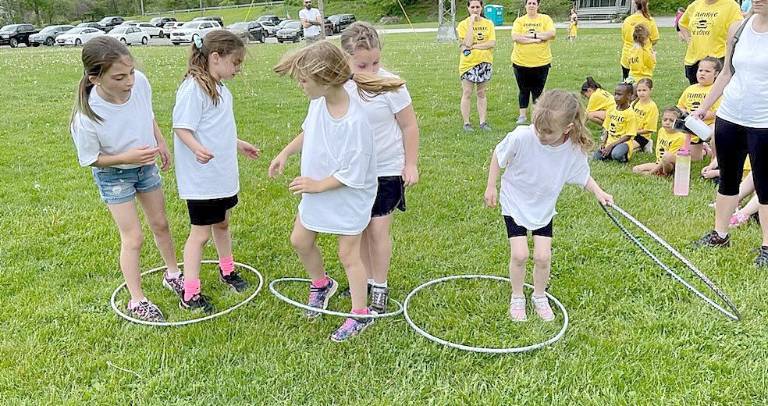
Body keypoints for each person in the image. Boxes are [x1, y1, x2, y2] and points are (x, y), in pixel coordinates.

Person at [270, 41, 406, 341]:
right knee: (300, 240)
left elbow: (354, 173)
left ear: (325, 79)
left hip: (349, 194)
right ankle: (321, 284)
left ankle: (360, 314)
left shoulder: (355, 120)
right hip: (318, 188)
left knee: (349, 255)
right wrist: (285, 153)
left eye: (304, 79)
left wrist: (317, 185)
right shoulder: (318, 102)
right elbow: (309, 131)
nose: (300, 85)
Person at [70, 37, 180, 322]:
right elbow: (91, 158)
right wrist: (126, 157)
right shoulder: (87, 116)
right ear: (95, 78)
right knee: (133, 237)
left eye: (130, 72)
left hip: (145, 166)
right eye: (119, 77)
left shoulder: (140, 83)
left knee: (161, 224)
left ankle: (173, 274)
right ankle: (137, 299)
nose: (129, 81)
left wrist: (161, 141)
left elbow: (148, 114)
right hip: (113, 174)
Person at [484, 90, 613, 322]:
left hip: (543, 206)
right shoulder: (522, 136)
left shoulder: (572, 148)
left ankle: (539, 295)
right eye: (538, 127)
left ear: (567, 129)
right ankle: (517, 297)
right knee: (521, 254)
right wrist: (491, 186)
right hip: (515, 201)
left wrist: (599, 192)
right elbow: (498, 154)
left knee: (543, 257)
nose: (541, 135)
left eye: (548, 131)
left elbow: (582, 175)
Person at [172, 31, 261, 313]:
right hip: (202, 180)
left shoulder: (221, 88)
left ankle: (227, 271)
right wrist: (196, 148)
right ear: (215, 57)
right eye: (235, 62)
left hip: (222, 176)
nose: (237, 69)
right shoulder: (193, 89)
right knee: (200, 235)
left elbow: (217, 129)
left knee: (222, 224)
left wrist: (238, 144)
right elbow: (182, 127)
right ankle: (190, 293)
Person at [339, 22, 420, 313]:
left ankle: (380, 286)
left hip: (386, 168)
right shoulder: (339, 86)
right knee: (358, 229)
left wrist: (410, 164)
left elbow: (409, 126)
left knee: (377, 230)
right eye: (363, 64)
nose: (371, 70)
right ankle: (364, 279)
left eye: (376, 62)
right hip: (353, 171)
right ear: (345, 59)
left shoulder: (391, 84)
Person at [693, 6, 768, 268]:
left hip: (763, 122)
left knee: (764, 184)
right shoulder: (738, 28)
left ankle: (767, 248)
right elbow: (726, 73)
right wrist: (704, 107)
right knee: (728, 178)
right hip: (730, 116)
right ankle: (720, 235)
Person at [511, 0, 556, 125]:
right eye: (529, 3)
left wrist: (531, 36)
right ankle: (522, 116)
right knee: (523, 90)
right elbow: (516, 37)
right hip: (521, 62)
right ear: (525, 5)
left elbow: (551, 34)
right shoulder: (519, 21)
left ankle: (537, 116)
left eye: (534, 3)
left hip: (541, 62)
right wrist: (537, 39)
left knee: (538, 91)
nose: (531, 5)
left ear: (538, 5)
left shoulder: (545, 19)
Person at [678, 0, 742, 84]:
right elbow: (682, 23)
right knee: (697, 93)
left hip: (719, 60)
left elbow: (738, 29)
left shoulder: (731, 6)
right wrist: (688, 39)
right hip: (694, 60)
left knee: (717, 95)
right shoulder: (695, 5)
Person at [457, 0, 496, 132]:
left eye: (477, 7)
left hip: (485, 62)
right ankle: (466, 123)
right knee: (467, 92)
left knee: (481, 92)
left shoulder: (488, 24)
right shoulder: (463, 25)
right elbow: (467, 44)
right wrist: (471, 24)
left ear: (481, 8)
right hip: (468, 64)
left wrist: (475, 46)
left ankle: (483, 122)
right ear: (468, 8)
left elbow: (491, 43)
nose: (475, 10)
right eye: (472, 7)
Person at [677, 56, 722, 161]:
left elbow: (717, 112)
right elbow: (680, 106)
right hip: (692, 125)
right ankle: (705, 150)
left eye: (707, 71)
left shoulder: (716, 90)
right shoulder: (690, 89)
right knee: (694, 159)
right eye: (700, 70)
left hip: (710, 124)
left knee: (716, 135)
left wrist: (703, 115)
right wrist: (684, 113)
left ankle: (715, 159)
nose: (702, 73)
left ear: (716, 74)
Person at [632, 107, 686, 176]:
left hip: (671, 165)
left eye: (671, 120)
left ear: (678, 122)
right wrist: (654, 169)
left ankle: (665, 174)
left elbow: (668, 158)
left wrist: (650, 172)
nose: (667, 122)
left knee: (666, 156)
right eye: (665, 120)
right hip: (659, 163)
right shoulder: (661, 130)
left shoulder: (680, 137)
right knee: (636, 169)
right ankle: (659, 173)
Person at [594, 82, 638, 163]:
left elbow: (628, 136)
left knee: (616, 154)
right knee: (596, 156)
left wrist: (611, 146)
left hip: (623, 143)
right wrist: (603, 143)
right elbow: (606, 128)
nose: (616, 97)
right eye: (615, 94)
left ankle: (622, 156)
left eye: (619, 95)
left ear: (628, 96)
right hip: (610, 141)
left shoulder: (630, 114)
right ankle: (609, 153)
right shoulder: (611, 109)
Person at [620, 0, 659, 80]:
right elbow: (655, 39)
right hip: (643, 59)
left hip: (628, 56)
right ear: (647, 4)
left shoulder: (627, 20)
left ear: (634, 5)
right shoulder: (649, 20)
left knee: (627, 84)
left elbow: (624, 38)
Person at [632, 78, 658, 152]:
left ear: (651, 90)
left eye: (644, 90)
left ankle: (646, 143)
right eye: (639, 90)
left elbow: (649, 129)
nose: (641, 93)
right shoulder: (635, 103)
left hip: (642, 136)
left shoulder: (652, 107)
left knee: (627, 148)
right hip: (631, 132)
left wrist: (634, 132)